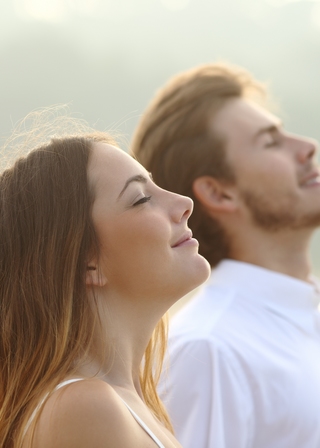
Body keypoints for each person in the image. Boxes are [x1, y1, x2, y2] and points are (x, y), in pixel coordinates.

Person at [131, 63, 320, 448]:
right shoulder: (209, 350)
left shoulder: (303, 315)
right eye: (270, 142)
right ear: (219, 194)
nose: (307, 147)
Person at [0, 116, 210, 448]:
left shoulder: (126, 404)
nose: (184, 203)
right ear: (87, 262)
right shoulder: (83, 407)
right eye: (141, 198)